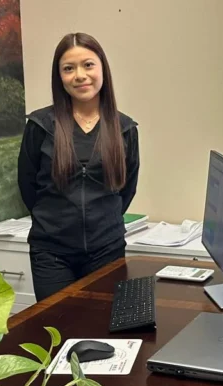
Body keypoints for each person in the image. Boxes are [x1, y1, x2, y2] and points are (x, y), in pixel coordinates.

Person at [18, 32, 140, 300]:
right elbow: (27, 186)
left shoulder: (124, 129)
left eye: (88, 65)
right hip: (51, 254)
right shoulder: (40, 126)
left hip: (107, 250)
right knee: (57, 322)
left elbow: (126, 188)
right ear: (59, 77)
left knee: (101, 322)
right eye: (68, 68)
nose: (80, 75)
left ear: (102, 69)